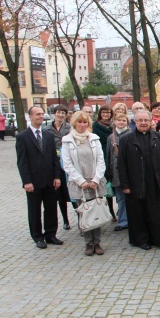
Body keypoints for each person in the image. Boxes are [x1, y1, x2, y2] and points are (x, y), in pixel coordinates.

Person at [118, 110, 160, 250]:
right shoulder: (126, 139)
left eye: (146, 120)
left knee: (158, 213)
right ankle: (142, 240)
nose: (143, 123)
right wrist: (125, 185)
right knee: (139, 214)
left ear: (151, 122)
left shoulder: (158, 137)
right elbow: (122, 164)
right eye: (140, 120)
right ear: (135, 122)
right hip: (137, 183)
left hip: (157, 182)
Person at [61, 111, 108, 256]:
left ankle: (97, 242)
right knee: (85, 212)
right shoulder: (67, 141)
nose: (82, 125)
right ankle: (88, 243)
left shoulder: (94, 138)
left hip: (94, 180)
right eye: (79, 122)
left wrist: (96, 179)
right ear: (74, 123)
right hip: (79, 183)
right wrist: (80, 181)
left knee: (96, 210)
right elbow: (67, 164)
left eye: (85, 122)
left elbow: (101, 160)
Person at [16, 106, 63, 249]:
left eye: (42, 114)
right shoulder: (23, 137)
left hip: (50, 180)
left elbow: (54, 158)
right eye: (37, 114)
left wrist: (57, 176)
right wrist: (27, 182)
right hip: (34, 181)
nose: (41, 116)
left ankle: (50, 234)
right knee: (34, 210)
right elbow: (22, 162)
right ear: (30, 116)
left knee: (51, 208)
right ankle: (37, 237)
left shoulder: (48, 135)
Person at [43, 105, 73, 230]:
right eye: (58, 113)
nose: (60, 115)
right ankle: (65, 220)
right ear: (54, 114)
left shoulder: (69, 127)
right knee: (60, 194)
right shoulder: (47, 129)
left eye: (63, 113)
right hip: (54, 163)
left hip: (68, 161)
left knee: (72, 192)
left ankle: (81, 219)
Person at [92, 105, 118, 221]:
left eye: (108, 112)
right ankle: (108, 212)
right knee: (104, 185)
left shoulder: (113, 125)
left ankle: (115, 212)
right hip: (100, 154)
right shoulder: (96, 126)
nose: (106, 115)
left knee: (112, 185)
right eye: (104, 112)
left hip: (112, 155)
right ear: (100, 113)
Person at [105, 112, 130, 232]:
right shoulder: (111, 137)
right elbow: (108, 155)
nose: (121, 122)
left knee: (131, 198)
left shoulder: (131, 135)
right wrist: (109, 172)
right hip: (116, 173)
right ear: (114, 122)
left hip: (130, 172)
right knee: (120, 198)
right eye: (119, 120)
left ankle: (132, 220)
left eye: (124, 120)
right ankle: (123, 221)